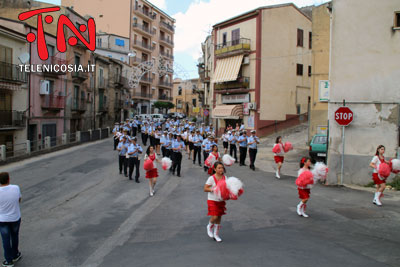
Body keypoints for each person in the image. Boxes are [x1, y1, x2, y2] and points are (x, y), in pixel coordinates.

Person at [0, 172, 22, 267]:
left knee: (5, 239)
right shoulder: (16, 188)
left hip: (2, 219)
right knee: (14, 236)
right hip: (15, 218)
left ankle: (8, 261)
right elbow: (19, 200)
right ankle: (15, 254)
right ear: (9, 179)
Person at [203, 162, 227, 242]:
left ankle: (216, 234)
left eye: (222, 168)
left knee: (219, 217)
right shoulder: (211, 178)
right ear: (215, 169)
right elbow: (205, 188)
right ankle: (209, 226)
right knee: (215, 216)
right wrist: (213, 189)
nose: (221, 169)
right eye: (219, 168)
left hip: (221, 200)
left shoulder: (225, 178)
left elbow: (227, 189)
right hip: (212, 200)